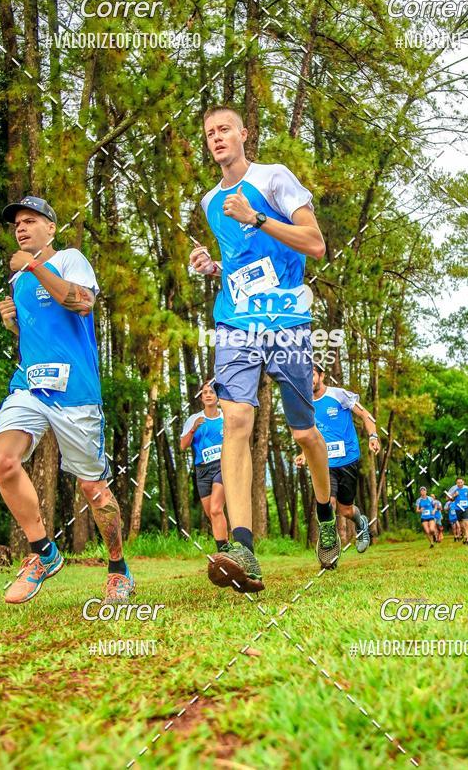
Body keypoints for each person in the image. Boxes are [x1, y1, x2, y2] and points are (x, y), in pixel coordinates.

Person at [189, 105, 338, 593]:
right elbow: (242, 263)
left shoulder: (273, 178)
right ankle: (243, 550)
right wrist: (214, 267)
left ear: (243, 134)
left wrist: (256, 218)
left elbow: (314, 243)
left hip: (289, 322)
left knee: (305, 434)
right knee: (236, 421)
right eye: (209, 133)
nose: (216, 138)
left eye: (224, 129)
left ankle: (325, 514)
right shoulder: (211, 201)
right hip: (235, 323)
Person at [0, 196, 134, 603]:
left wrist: (34, 266)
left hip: (76, 392)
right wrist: (14, 327)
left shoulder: (70, 259)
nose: (21, 228)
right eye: (17, 223)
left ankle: (118, 568)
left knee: (93, 488)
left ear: (50, 228)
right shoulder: (19, 281)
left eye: (30, 221)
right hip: (30, 386)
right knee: (3, 459)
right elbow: (41, 338)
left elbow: (82, 303)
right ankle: (43, 552)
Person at [294, 364, 380, 554]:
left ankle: (360, 522)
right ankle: (330, 545)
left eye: (313, 375)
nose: (309, 380)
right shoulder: (304, 403)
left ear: (321, 375)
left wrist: (373, 436)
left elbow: (366, 415)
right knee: (328, 503)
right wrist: (303, 454)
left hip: (348, 459)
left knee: (345, 510)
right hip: (324, 463)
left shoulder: (339, 395)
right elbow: (308, 434)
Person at [180, 381, 228, 550]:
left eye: (211, 392)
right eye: (205, 392)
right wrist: (193, 429)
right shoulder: (194, 418)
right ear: (201, 397)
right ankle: (226, 548)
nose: (208, 395)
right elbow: (183, 446)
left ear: (218, 397)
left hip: (222, 466)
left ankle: (224, 552)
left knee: (216, 509)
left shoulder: (226, 416)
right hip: (202, 470)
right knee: (212, 514)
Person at [447, 477, 468, 545]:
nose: (460, 484)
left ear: (463, 482)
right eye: (458, 483)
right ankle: (465, 536)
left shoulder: (466, 488)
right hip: (458, 508)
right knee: (462, 525)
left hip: (466, 507)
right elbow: (447, 498)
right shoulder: (453, 489)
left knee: (467, 523)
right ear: (456, 483)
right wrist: (454, 495)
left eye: (461, 482)